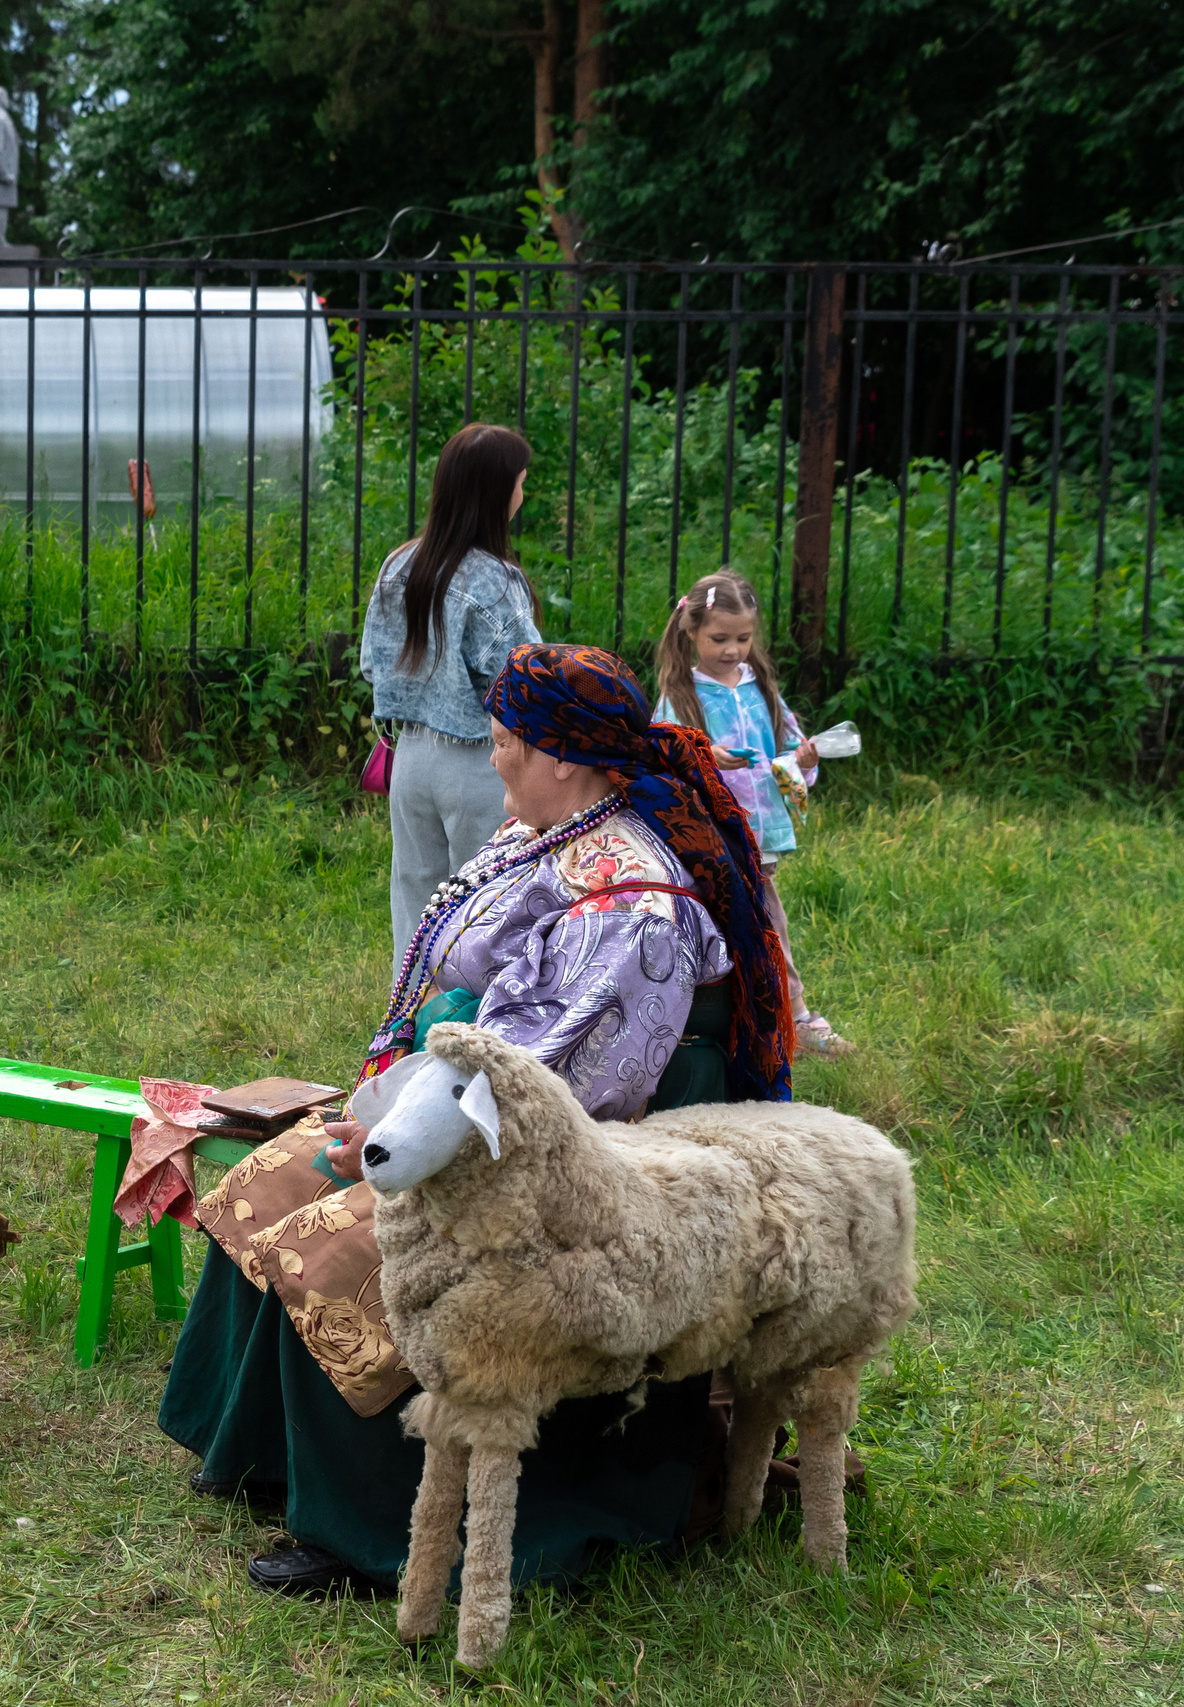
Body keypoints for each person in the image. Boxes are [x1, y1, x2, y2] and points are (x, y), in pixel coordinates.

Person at [161, 641, 796, 1601]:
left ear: (564, 757)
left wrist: (409, 1139)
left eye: (504, 740)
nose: (491, 756)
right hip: (453, 1100)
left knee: (339, 1249)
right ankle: (266, 1459)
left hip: (560, 1157)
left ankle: (368, 1532)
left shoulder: (636, 903)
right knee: (268, 1179)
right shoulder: (548, 827)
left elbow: (563, 1092)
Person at [360, 423, 543, 976]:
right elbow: (527, 679)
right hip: (483, 764)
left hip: (410, 762)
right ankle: (477, 1031)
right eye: (520, 483)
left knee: (414, 906)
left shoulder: (399, 565)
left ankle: (403, 1034)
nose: (523, 494)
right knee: (485, 908)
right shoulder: (497, 579)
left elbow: (374, 663)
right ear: (497, 492)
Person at [652, 571, 849, 1057]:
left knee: (765, 920)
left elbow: (788, 749)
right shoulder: (681, 697)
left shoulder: (763, 691)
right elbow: (660, 762)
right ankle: (724, 1019)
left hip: (758, 836)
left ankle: (793, 1016)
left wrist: (803, 760)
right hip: (705, 837)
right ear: (691, 631)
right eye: (720, 638)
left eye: (743, 638)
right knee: (719, 925)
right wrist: (703, 753)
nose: (733, 650)